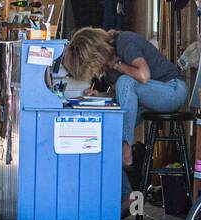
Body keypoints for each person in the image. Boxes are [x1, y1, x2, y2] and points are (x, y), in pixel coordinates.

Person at [61, 27, 188, 199]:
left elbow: (143, 76)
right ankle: (128, 198)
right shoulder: (109, 68)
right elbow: (124, 93)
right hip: (147, 100)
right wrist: (100, 95)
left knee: (125, 81)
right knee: (108, 135)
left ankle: (127, 148)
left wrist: (118, 65)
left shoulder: (125, 42)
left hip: (172, 90)